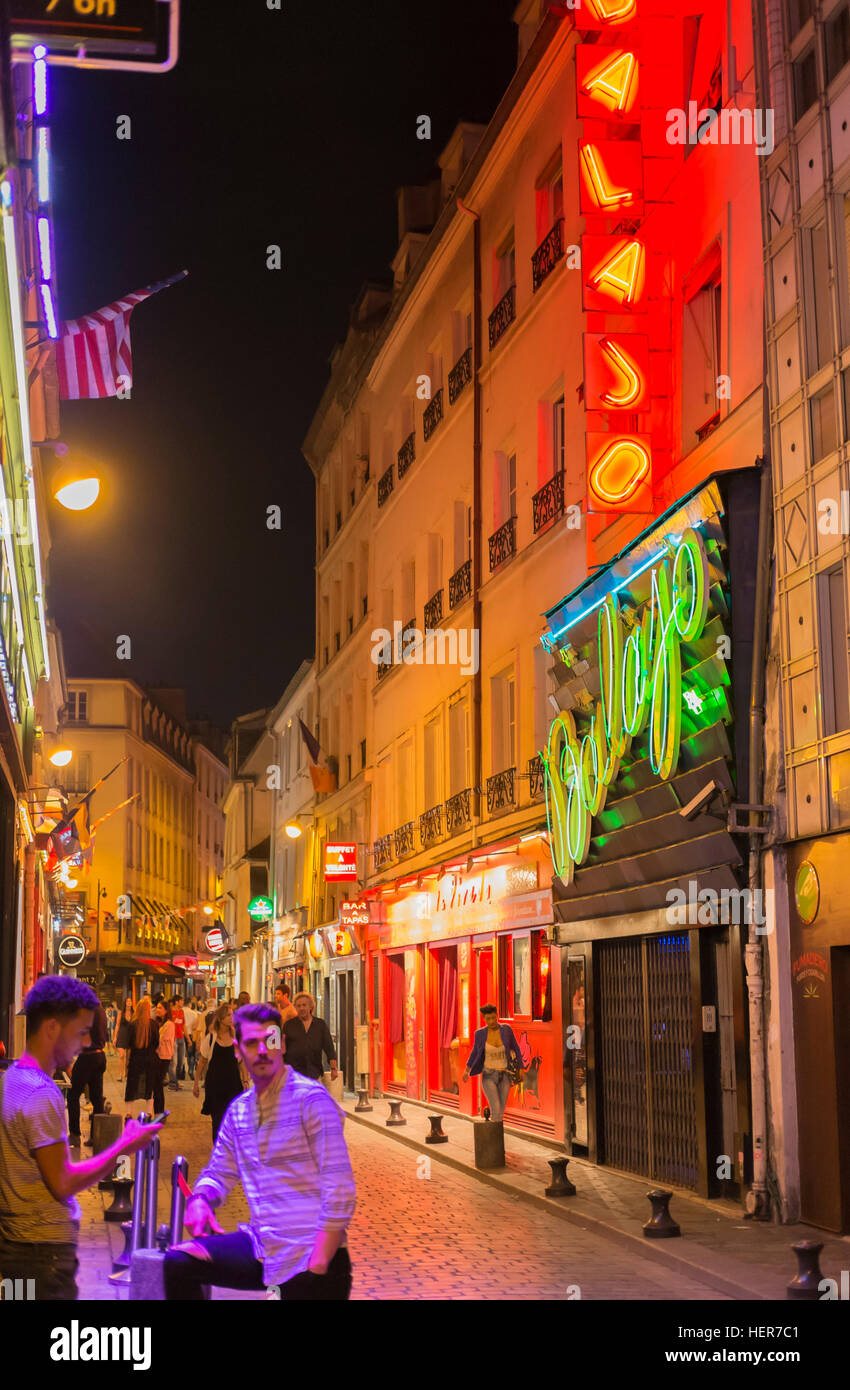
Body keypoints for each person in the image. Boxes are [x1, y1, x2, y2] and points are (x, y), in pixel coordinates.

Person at [164, 1003, 355, 1301]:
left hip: (314, 1254)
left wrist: (318, 1262)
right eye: (252, 1043)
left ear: (282, 1046)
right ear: (238, 1050)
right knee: (180, 1261)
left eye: (271, 1040)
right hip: (265, 1247)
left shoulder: (311, 1101)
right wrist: (201, 1199)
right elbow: (219, 1172)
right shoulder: (239, 1111)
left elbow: (340, 1190)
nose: (263, 1050)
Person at [0, 976, 161, 1300]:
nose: (86, 1043)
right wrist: (124, 1146)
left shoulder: (13, 1078)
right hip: (43, 1258)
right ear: (52, 1028)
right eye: (81, 1031)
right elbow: (63, 1181)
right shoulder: (41, 1093)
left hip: (18, 1250)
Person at [462, 1004, 522, 1123]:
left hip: (505, 1075)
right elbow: (475, 1052)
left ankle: (495, 1135)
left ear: (497, 1016)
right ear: (484, 1019)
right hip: (489, 1075)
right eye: (488, 1019)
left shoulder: (506, 1030)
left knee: (501, 1110)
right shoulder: (480, 1034)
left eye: (494, 1018)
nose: (492, 1021)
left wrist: (521, 1069)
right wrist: (467, 1070)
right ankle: (494, 1138)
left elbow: (516, 1048)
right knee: (496, 1108)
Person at [194, 1003, 243, 1142]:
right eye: (228, 1015)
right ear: (221, 1018)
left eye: (232, 1015)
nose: (231, 1018)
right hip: (215, 1085)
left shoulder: (236, 1037)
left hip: (233, 1084)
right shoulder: (211, 1038)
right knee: (217, 1120)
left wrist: (245, 1080)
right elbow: (202, 1062)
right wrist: (196, 1084)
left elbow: (241, 1062)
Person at [66, 998, 108, 1146]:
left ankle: (75, 1135)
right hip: (100, 1056)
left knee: (73, 1095)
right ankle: (97, 1137)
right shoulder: (101, 1010)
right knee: (97, 1098)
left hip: (87, 1057)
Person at [283, 994, 338, 1084]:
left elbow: (329, 1047)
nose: (301, 1008)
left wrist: (333, 1068)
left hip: (314, 1073)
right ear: (295, 1008)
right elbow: (282, 1049)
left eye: (304, 1005)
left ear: (310, 1007)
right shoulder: (289, 1025)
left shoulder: (320, 1025)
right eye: (298, 1006)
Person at [124, 996, 160, 1115]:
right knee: (149, 1086)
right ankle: (149, 1113)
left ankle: (129, 1113)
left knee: (131, 1085)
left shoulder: (132, 1025)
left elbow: (128, 1046)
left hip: (135, 1059)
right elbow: (156, 1044)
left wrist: (126, 1064)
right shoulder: (154, 1025)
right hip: (150, 1059)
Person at [154, 1001, 174, 1117]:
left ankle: (159, 1112)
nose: (157, 1010)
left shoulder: (169, 1024)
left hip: (164, 1057)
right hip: (158, 1056)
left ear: (166, 1010)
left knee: (157, 1084)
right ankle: (158, 1112)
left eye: (160, 1008)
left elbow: (160, 1040)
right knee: (156, 1085)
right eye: (157, 1007)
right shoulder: (160, 1023)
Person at [169, 996, 186, 1091]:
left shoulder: (182, 1012)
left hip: (181, 1038)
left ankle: (176, 1081)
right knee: (173, 1062)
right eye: (181, 1001)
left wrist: (188, 1039)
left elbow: (184, 1025)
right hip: (173, 1039)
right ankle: (172, 1083)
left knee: (180, 1062)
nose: (182, 1002)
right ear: (176, 1002)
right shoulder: (171, 1012)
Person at [115, 998, 134, 1081]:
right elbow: (117, 1025)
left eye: (130, 1001)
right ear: (125, 1003)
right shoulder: (120, 1013)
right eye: (127, 1001)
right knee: (121, 1055)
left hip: (131, 1036)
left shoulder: (134, 1013)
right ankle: (120, 1075)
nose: (129, 1002)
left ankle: (127, 1073)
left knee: (129, 1057)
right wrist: (115, 1037)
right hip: (122, 1035)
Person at [183, 999, 200, 1081]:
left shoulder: (180, 1012)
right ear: (189, 1004)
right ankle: (190, 1069)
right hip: (191, 1035)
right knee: (191, 1054)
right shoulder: (194, 1013)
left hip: (181, 1035)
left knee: (181, 1055)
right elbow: (195, 1026)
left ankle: (181, 1072)